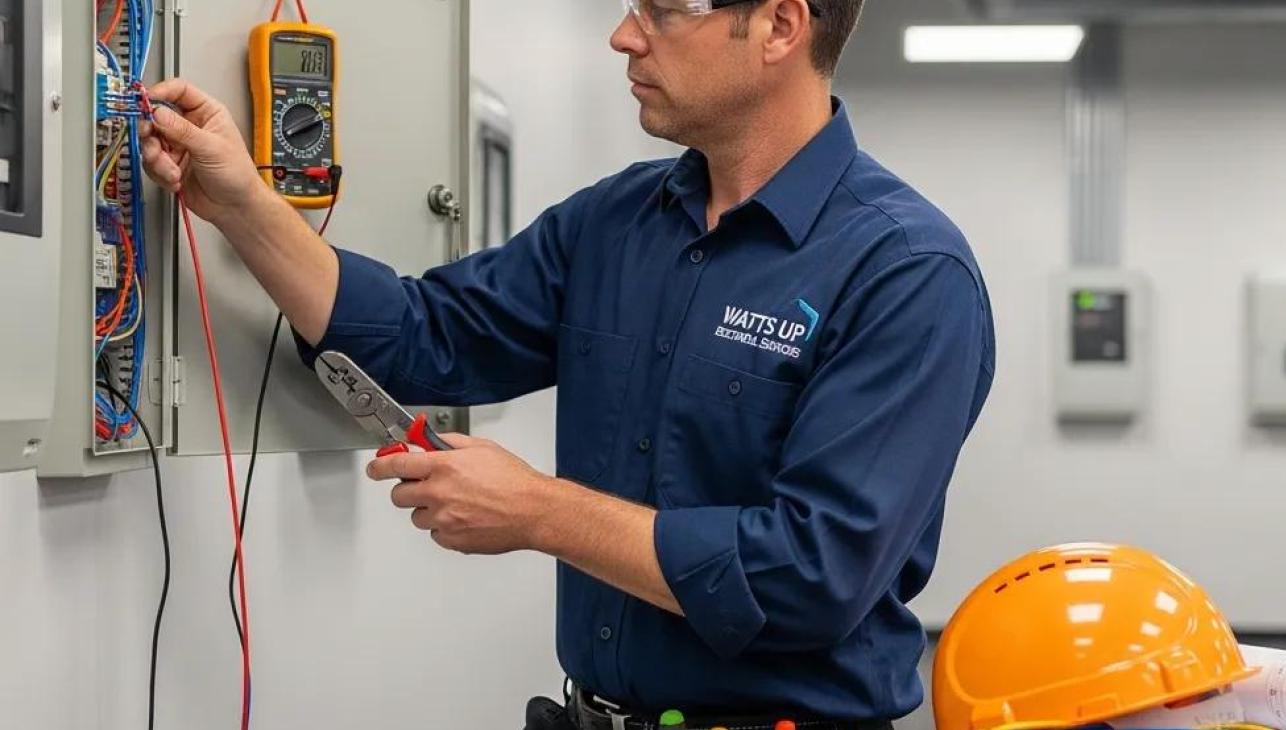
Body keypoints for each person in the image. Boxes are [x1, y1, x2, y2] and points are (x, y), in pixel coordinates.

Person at [139, 0, 995, 727]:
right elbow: (421, 337)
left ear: (778, 25)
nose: (624, 35)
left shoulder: (906, 273)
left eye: (661, 10)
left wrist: (537, 512)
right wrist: (243, 204)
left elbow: (811, 575)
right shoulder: (617, 222)